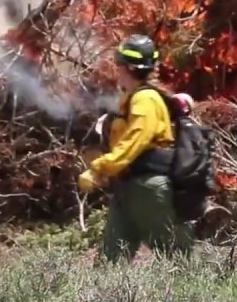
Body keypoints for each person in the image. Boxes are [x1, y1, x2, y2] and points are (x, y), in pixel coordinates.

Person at [78, 34, 191, 263]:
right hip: (127, 186)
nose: (117, 69)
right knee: (112, 259)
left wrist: (100, 167)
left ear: (127, 67)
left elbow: (133, 142)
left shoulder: (146, 100)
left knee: (174, 259)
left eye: (119, 64)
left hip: (149, 188)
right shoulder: (133, 98)